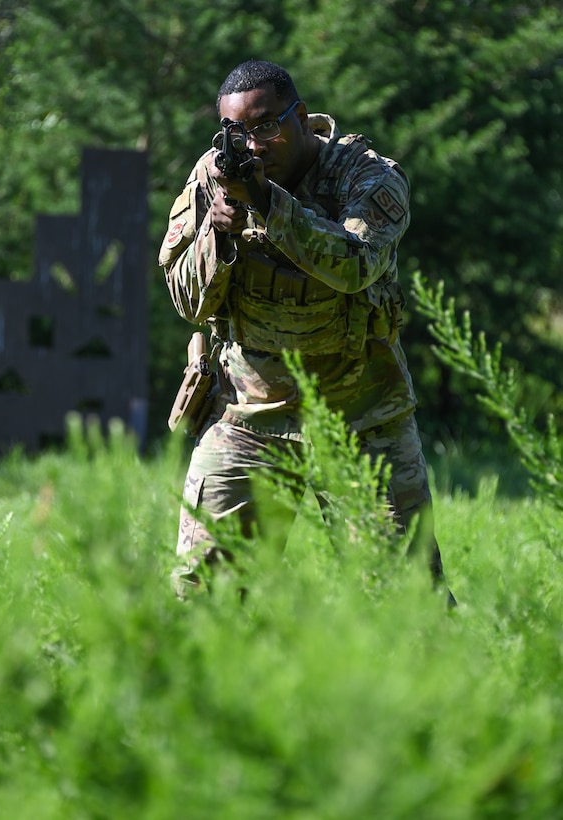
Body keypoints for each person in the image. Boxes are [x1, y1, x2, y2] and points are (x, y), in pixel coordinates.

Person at [159, 59, 453, 600]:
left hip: (362, 420)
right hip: (249, 418)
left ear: (301, 119)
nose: (252, 145)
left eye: (266, 126)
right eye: (236, 132)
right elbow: (185, 298)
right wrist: (219, 238)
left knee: (408, 608)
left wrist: (267, 205)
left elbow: (355, 265)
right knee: (201, 599)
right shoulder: (213, 175)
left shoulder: (366, 175)